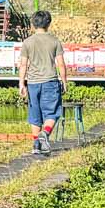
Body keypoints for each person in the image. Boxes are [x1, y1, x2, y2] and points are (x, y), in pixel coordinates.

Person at [18, 10, 68, 155]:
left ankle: (36, 145)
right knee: (52, 113)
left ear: (33, 24)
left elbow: (23, 65)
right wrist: (64, 81)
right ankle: (44, 134)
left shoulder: (27, 42)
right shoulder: (54, 41)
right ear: (49, 23)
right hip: (50, 82)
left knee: (35, 115)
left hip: (33, 83)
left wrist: (22, 83)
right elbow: (61, 64)